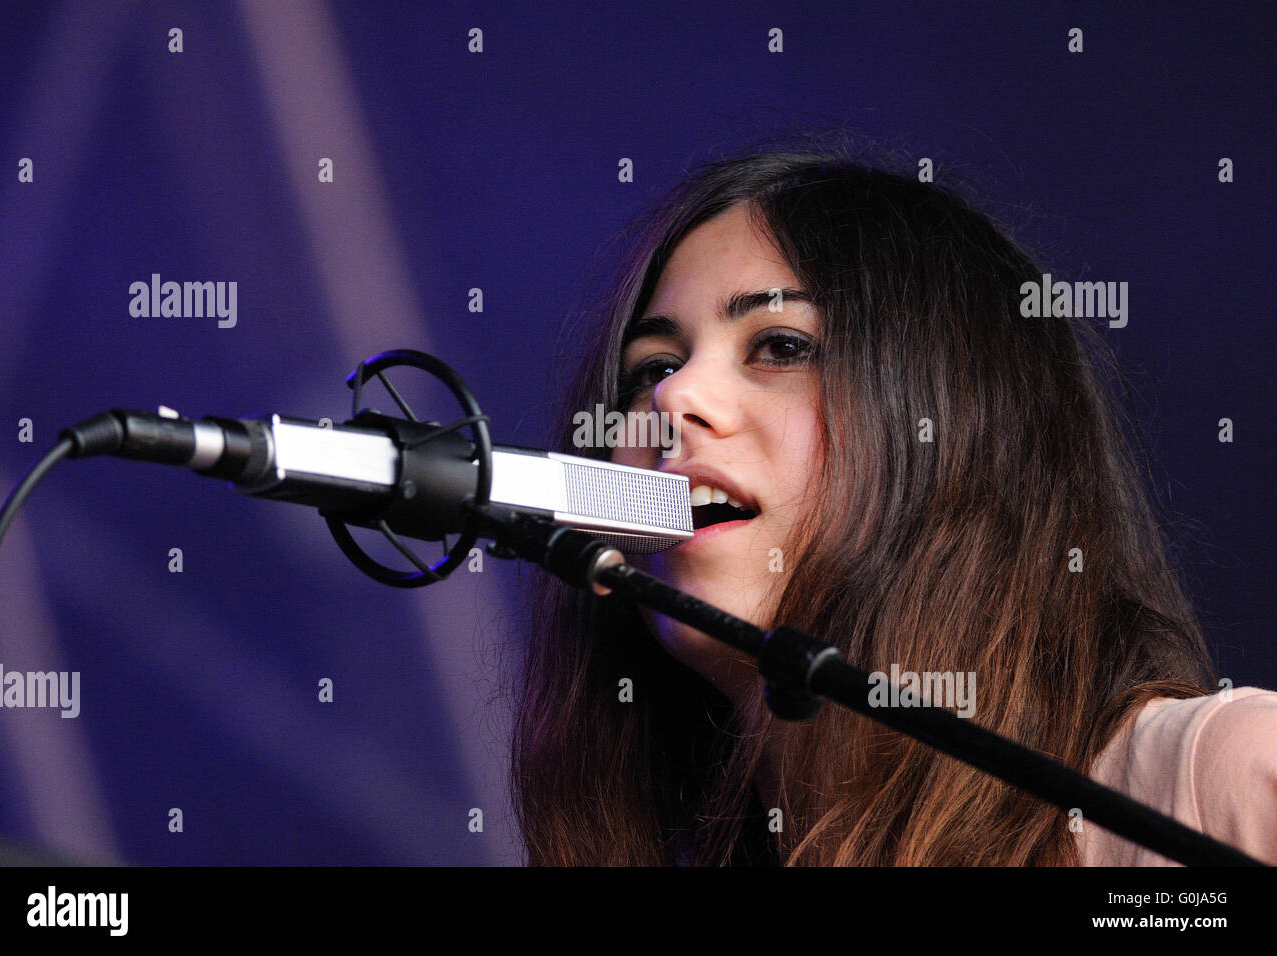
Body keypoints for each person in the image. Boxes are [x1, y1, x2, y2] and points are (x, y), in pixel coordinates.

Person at [510, 139, 1277, 866]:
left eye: (780, 345)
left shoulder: (1220, 779)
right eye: (652, 366)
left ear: (955, 424)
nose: (674, 396)